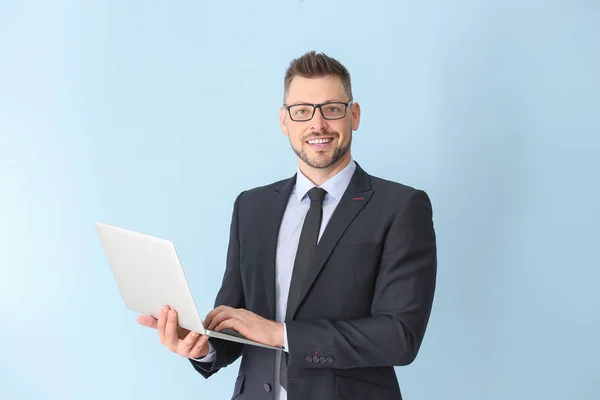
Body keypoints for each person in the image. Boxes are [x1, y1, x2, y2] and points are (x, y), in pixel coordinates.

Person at [137, 50, 437, 400]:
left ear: (353, 115)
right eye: (302, 111)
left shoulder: (400, 207)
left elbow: (399, 337)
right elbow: (237, 322)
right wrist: (201, 347)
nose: (318, 124)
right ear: (284, 121)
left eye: (332, 109)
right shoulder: (251, 206)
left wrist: (282, 334)